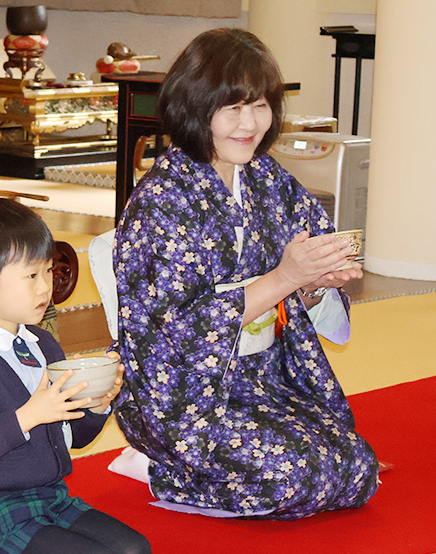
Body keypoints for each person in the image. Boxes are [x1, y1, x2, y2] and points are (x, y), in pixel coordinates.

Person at [110, 28, 379, 519]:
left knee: (356, 468)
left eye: (259, 106)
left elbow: (301, 278)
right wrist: (283, 278)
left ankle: (195, 468)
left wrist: (315, 284)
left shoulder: (267, 178)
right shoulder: (161, 201)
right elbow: (172, 333)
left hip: (260, 378)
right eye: (232, 108)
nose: (249, 123)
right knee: (295, 477)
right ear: (196, 107)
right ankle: (162, 465)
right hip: (182, 394)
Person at [0, 198, 151, 554]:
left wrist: (99, 403)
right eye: (31, 275)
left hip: (51, 497)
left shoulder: (43, 343)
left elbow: (75, 437)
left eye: (48, 271)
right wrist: (30, 414)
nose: (46, 287)